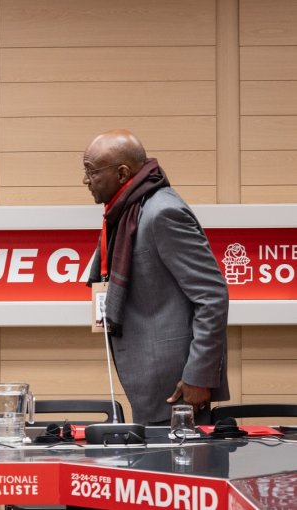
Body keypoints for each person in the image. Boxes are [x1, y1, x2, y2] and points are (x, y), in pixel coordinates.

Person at [82, 129, 229, 425]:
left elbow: (212, 296)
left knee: (181, 471)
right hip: (152, 384)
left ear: (123, 173)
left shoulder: (162, 213)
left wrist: (198, 375)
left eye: (91, 172)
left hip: (179, 390)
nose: (85, 180)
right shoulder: (129, 211)